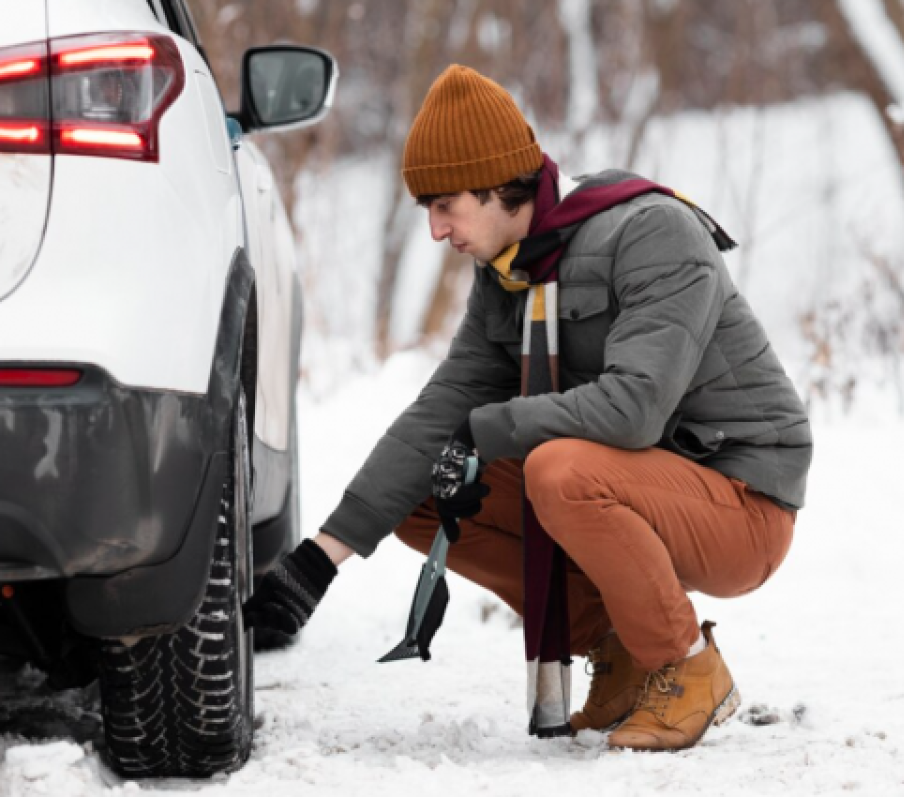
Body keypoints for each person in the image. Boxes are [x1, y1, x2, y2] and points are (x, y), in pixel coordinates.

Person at [244, 64, 812, 753]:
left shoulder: (652, 233)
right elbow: (443, 409)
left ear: (495, 185)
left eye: (445, 204)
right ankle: (622, 650)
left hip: (741, 499)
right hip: (642, 481)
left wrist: (492, 426)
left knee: (559, 469)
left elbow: (633, 409)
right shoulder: (510, 272)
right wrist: (318, 559)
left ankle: (686, 665)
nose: (434, 228)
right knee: (431, 492)